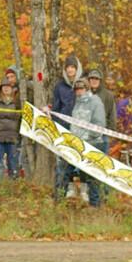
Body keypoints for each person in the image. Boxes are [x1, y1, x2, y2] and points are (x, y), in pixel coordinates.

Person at [66, 77, 106, 204]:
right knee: (76, 172)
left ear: (87, 88)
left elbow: (99, 124)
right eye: (76, 89)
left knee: (92, 176)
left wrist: (89, 137)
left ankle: (96, 205)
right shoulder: (77, 103)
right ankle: (83, 201)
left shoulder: (95, 102)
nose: (78, 91)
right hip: (77, 143)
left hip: (93, 143)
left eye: (81, 88)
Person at [52, 55, 82, 196]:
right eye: (68, 67)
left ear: (77, 69)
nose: (70, 70)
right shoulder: (59, 86)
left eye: (72, 67)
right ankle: (60, 192)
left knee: (79, 162)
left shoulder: (82, 85)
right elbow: (56, 108)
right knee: (62, 162)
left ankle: (81, 191)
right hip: (63, 128)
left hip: (80, 130)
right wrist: (55, 124)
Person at [0, 78, 21, 177]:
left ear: (12, 89)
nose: (6, 88)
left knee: (13, 164)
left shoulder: (17, 103)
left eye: (8, 86)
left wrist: (18, 132)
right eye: (4, 87)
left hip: (12, 137)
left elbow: (21, 118)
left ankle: (13, 187)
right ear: (1, 89)